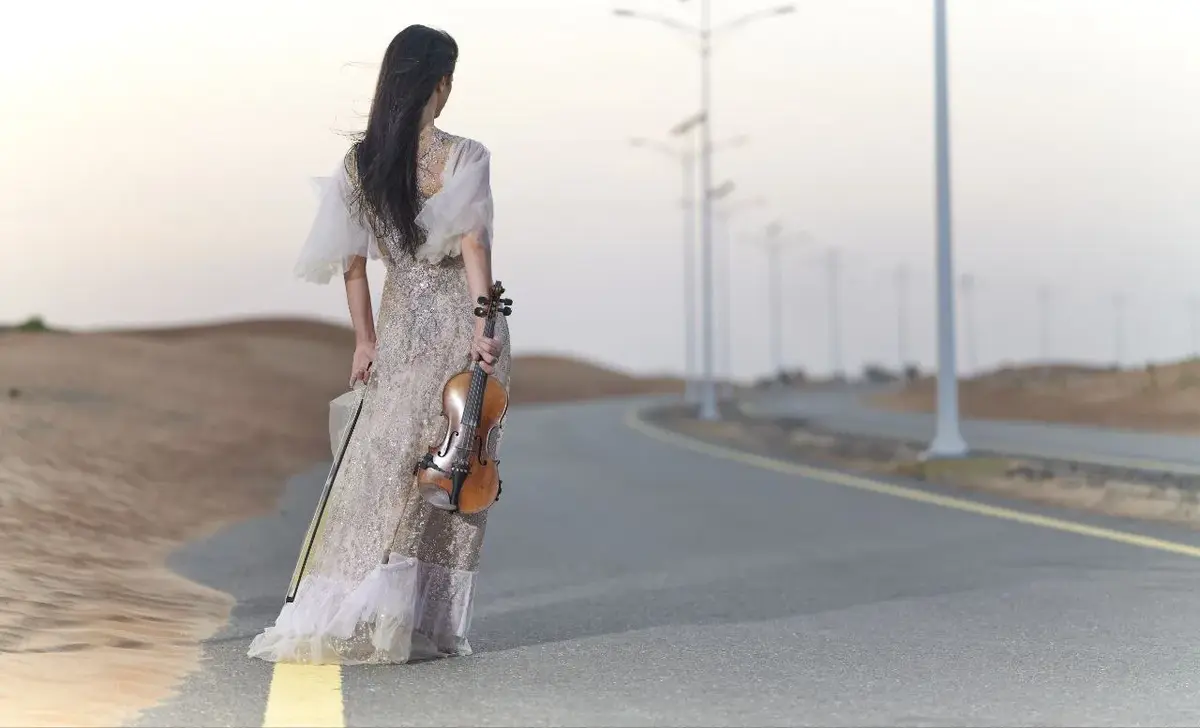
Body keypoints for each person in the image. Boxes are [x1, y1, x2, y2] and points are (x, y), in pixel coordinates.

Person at [247, 24, 510, 665]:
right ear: (440, 84)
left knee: (381, 470)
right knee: (453, 470)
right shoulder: (464, 154)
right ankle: (421, 625)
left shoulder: (358, 166)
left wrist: (365, 340)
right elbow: (473, 244)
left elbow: (354, 266)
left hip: (397, 330)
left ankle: (345, 610)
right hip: (454, 325)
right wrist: (484, 323)